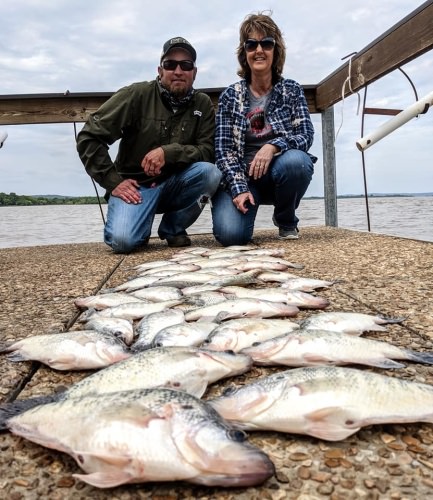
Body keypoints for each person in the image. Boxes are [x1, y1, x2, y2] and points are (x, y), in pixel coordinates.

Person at [77, 37, 221, 253]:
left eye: (186, 65)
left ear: (194, 72)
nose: (178, 71)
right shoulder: (135, 95)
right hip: (136, 187)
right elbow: (89, 137)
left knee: (211, 173)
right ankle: (139, 228)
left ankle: (173, 228)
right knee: (124, 242)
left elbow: (208, 151)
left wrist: (169, 153)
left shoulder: (203, 104)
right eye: (170, 64)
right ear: (160, 70)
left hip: (176, 184)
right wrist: (112, 181)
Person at [211, 13, 317, 246]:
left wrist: (273, 146)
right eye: (251, 44)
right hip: (242, 176)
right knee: (231, 236)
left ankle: (285, 219)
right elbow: (223, 151)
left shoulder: (292, 89)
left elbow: (306, 135)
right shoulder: (230, 96)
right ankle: (241, 206)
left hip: (278, 173)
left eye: (266, 43)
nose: (259, 50)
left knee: (297, 162)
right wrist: (238, 188)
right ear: (244, 53)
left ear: (275, 50)